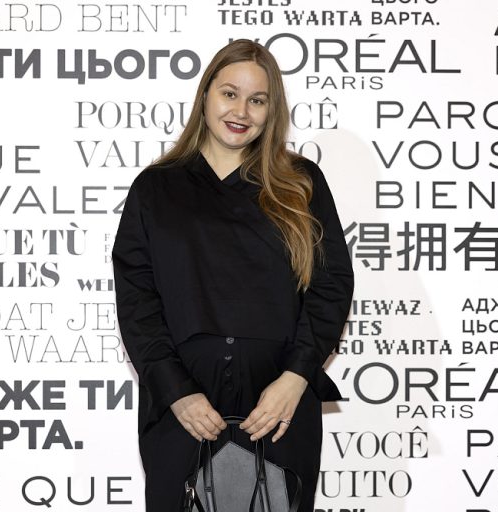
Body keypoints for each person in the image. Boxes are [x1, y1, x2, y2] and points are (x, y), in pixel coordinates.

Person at [112, 39, 354, 511]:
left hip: (276, 403)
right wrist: (175, 391)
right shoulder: (156, 187)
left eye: (257, 100)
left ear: (271, 110)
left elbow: (331, 286)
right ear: (205, 95)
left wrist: (295, 379)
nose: (241, 111)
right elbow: (137, 298)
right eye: (229, 93)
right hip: (185, 400)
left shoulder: (300, 182)